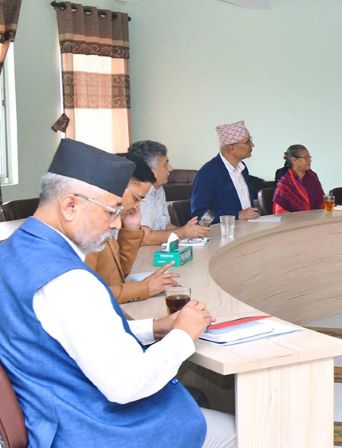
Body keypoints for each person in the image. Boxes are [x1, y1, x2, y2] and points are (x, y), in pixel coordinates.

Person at [0, 139, 236, 447]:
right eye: (112, 211)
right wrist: (183, 335)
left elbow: (65, 338)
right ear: (70, 205)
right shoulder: (70, 281)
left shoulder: (10, 252)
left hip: (48, 419)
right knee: (246, 428)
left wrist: (154, 328)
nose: (116, 224)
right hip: (96, 430)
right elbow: (127, 384)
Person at [85, 153, 179, 304]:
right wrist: (144, 288)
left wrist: (130, 230)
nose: (137, 206)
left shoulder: (112, 221)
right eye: (136, 198)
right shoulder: (86, 231)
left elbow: (120, 273)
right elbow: (88, 296)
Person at [128, 140, 209, 246]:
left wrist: (190, 232)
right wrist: (183, 232)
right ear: (150, 169)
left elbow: (166, 226)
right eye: (165, 164)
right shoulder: (135, 194)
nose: (171, 168)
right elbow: (145, 238)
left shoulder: (159, 189)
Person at [191, 120, 260, 223]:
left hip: (247, 229)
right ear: (232, 148)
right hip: (222, 235)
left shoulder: (243, 169)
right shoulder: (208, 173)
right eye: (248, 142)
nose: (252, 145)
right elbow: (201, 217)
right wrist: (237, 215)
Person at [272, 144, 325, 214]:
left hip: (316, 219)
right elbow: (280, 212)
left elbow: (322, 201)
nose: (309, 160)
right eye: (306, 158)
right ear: (294, 160)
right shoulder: (285, 182)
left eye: (309, 157)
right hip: (293, 222)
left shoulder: (313, 176)